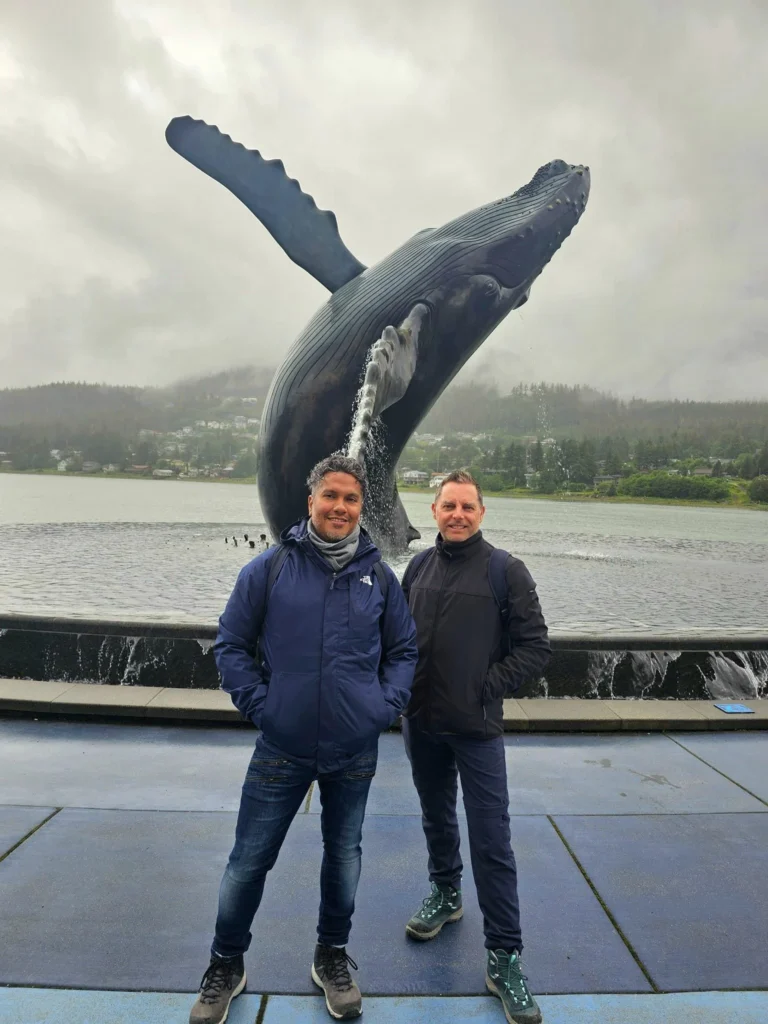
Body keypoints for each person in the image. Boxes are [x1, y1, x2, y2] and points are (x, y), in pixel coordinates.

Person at [189, 455, 417, 1024]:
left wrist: (381, 708)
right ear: (311, 501)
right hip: (281, 747)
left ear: (363, 508)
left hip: (354, 749)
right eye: (331, 497)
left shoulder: (381, 580)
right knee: (247, 862)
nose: (341, 508)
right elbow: (231, 646)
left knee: (344, 858)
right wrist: (264, 709)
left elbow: (404, 651)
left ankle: (332, 956)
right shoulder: (268, 570)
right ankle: (226, 963)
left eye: (352, 500)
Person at [400, 468, 551, 1024]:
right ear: (434, 511)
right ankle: (446, 893)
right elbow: (396, 637)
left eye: (468, 507)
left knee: (492, 839)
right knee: (436, 817)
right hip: (421, 722)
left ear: (482, 513)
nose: (458, 515)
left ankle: (504, 957)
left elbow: (536, 649)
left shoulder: (506, 571)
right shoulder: (417, 566)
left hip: (478, 727)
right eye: (448, 506)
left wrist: (484, 688)